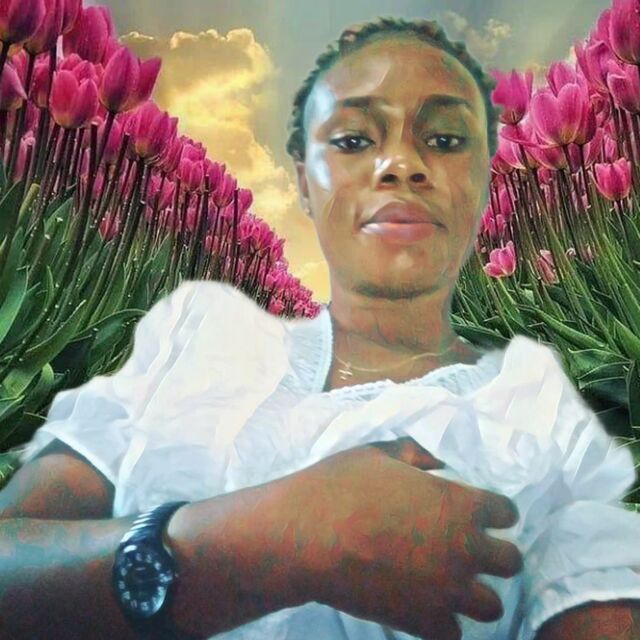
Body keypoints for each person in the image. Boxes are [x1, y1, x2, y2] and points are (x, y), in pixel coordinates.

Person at [1, 15, 640, 640]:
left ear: (484, 180)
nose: (400, 164)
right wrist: (268, 538)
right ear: (303, 182)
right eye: (355, 139)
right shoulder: (193, 346)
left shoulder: (541, 413)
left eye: (445, 139)